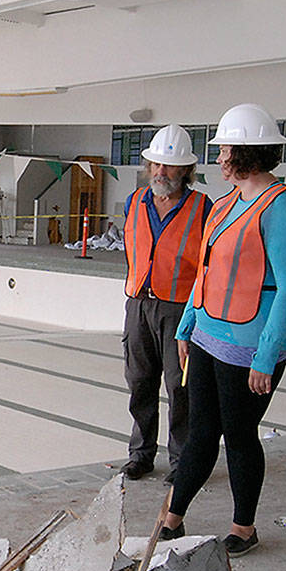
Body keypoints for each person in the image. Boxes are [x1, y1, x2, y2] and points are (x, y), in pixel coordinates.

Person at [162, 104, 286, 556]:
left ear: (247, 152)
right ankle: (172, 518)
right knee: (201, 431)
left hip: (249, 346)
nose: (219, 156)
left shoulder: (283, 209)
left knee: (240, 435)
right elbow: (206, 272)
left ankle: (243, 528)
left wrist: (267, 355)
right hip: (207, 337)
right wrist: (187, 326)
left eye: (225, 148)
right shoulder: (226, 204)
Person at [120, 125, 211, 485]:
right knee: (139, 383)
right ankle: (140, 455)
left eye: (169, 166)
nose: (161, 172)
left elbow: (209, 266)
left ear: (186, 170)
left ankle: (182, 462)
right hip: (139, 305)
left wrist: (196, 314)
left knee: (180, 387)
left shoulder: (203, 208)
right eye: (156, 164)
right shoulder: (135, 201)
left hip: (180, 310)